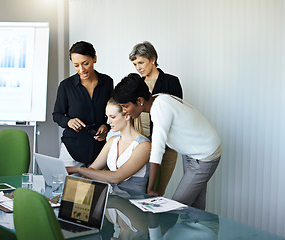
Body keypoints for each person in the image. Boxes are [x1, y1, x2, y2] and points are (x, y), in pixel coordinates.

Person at [112, 73, 221, 210]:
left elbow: (157, 151)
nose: (124, 111)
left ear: (139, 101)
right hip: (191, 151)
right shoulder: (158, 99)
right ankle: (203, 228)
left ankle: (206, 228)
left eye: (125, 106)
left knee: (177, 206)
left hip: (205, 154)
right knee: (195, 203)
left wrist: (151, 189)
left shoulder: (160, 109)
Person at [129, 41, 183, 196]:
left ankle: (155, 221)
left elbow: (175, 115)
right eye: (135, 64)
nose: (138, 67)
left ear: (152, 59)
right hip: (140, 145)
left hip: (165, 146)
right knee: (139, 191)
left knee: (157, 192)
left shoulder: (171, 82)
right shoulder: (136, 84)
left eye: (141, 62)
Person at [66, 98, 151, 193]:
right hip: (111, 199)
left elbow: (116, 177)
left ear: (127, 116)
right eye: (107, 117)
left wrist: (78, 169)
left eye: (113, 117)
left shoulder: (144, 145)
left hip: (132, 202)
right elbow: (92, 169)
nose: (108, 122)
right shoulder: (112, 141)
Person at [53, 41, 113, 167]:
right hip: (72, 150)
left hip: (99, 150)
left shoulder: (107, 82)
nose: (81, 70)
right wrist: (68, 121)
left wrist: (106, 126)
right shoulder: (66, 86)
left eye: (85, 63)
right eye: (76, 65)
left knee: (97, 187)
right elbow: (57, 115)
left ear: (94, 58)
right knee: (68, 187)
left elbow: (112, 112)